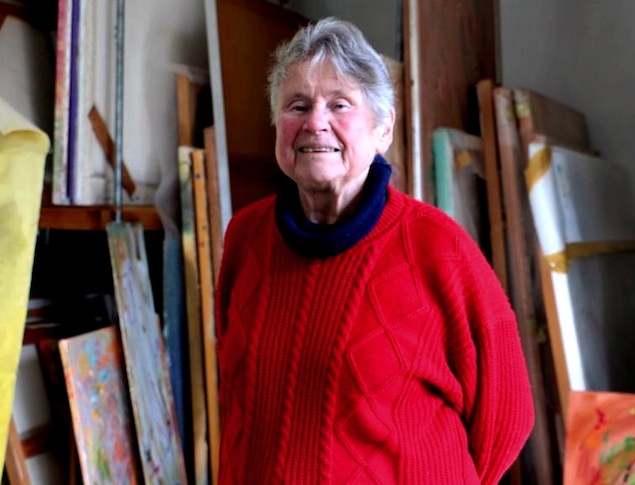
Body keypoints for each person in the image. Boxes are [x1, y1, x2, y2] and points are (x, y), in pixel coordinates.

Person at [215, 17, 534, 484]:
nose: (315, 122)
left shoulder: (438, 250)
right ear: (277, 125)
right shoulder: (245, 237)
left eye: (339, 104)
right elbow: (238, 397)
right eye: (297, 106)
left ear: (383, 131)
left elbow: (508, 415)